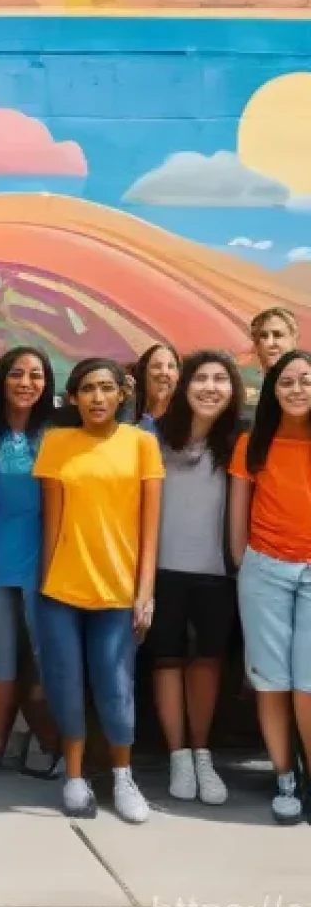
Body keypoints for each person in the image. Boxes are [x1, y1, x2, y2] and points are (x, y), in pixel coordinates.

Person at [32, 358, 164, 823]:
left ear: (121, 394)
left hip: (118, 590)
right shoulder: (56, 443)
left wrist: (144, 591)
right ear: (72, 398)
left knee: (116, 686)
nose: (97, 397)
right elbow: (52, 522)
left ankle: (123, 776)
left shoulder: (143, 444)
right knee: (65, 685)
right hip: (61, 590)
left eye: (106, 388)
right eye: (87, 388)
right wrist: (46, 587)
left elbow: (150, 529)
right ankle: (73, 776)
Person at [150, 351, 243, 805]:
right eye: (201, 378)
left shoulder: (240, 444)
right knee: (165, 660)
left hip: (216, 575)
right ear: (184, 387)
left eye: (220, 379)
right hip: (161, 571)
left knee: (207, 661)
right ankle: (177, 756)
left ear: (232, 390)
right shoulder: (155, 439)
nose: (210, 387)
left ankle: (202, 752)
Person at [229, 349, 311, 825]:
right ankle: (284, 777)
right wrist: (244, 563)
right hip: (265, 571)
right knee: (272, 683)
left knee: (307, 686)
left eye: (305, 381)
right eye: (287, 382)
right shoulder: (252, 443)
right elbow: (238, 513)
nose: (297, 390)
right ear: (274, 390)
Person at [0, 346, 61, 776]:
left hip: (47, 554)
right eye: (17, 374)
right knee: (1, 649)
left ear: (47, 384)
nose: (26, 383)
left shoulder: (60, 431)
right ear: (2, 380)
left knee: (46, 651)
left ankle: (43, 734)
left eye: (36, 375)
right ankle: (0, 733)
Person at [133, 343, 180, 431]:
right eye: (157, 366)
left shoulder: (189, 424)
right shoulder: (128, 422)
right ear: (144, 374)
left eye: (171, 367)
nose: (164, 372)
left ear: (178, 375)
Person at [250, 308, 298, 377]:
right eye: (263, 336)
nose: (269, 343)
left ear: (293, 339)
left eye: (277, 335)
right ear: (256, 345)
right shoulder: (243, 384)